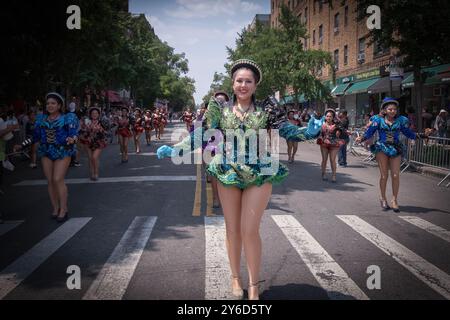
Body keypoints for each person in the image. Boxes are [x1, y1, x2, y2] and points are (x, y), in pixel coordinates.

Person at [157, 59, 322, 300]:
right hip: (228, 171)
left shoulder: (267, 110)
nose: (243, 85)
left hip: (259, 171)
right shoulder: (220, 110)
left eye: (248, 81)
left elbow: (286, 130)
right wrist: (177, 149)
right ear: (233, 84)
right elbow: (202, 133)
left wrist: (308, 131)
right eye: (239, 80)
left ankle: (254, 284)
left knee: (249, 230)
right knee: (232, 229)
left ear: (255, 86)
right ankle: (236, 278)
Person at [356, 97, 422, 212]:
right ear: (385, 110)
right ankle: (382, 198)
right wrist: (361, 138)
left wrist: (419, 136)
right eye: (390, 109)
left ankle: (394, 200)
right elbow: (369, 132)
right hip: (382, 147)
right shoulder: (378, 120)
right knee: (384, 175)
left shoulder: (401, 121)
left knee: (396, 175)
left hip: (395, 148)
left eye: (394, 109)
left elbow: (407, 132)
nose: (393, 111)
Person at [31, 93, 79, 222]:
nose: (50, 105)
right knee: (50, 181)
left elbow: (74, 134)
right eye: (48, 103)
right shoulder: (41, 119)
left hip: (63, 151)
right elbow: (35, 137)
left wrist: (72, 139)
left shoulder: (68, 118)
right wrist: (22, 145)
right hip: (46, 151)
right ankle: (55, 207)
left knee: (58, 179)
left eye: (53, 103)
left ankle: (64, 209)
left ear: (59, 105)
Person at [79, 106, 108, 180]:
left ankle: (96, 173)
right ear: (90, 114)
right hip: (88, 142)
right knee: (90, 158)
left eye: (96, 113)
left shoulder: (102, 122)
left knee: (94, 157)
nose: (94, 114)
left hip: (99, 142)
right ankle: (92, 173)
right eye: (93, 113)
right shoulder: (86, 122)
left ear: (98, 114)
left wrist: (101, 130)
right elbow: (81, 132)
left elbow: (107, 131)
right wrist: (84, 129)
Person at [317, 109, 344, 182]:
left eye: (330, 116)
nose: (328, 118)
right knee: (324, 160)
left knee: (332, 160)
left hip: (334, 144)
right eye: (327, 116)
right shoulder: (322, 125)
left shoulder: (336, 125)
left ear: (333, 117)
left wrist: (339, 131)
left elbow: (342, 130)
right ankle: (324, 174)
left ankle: (334, 175)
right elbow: (319, 134)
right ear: (325, 117)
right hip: (324, 144)